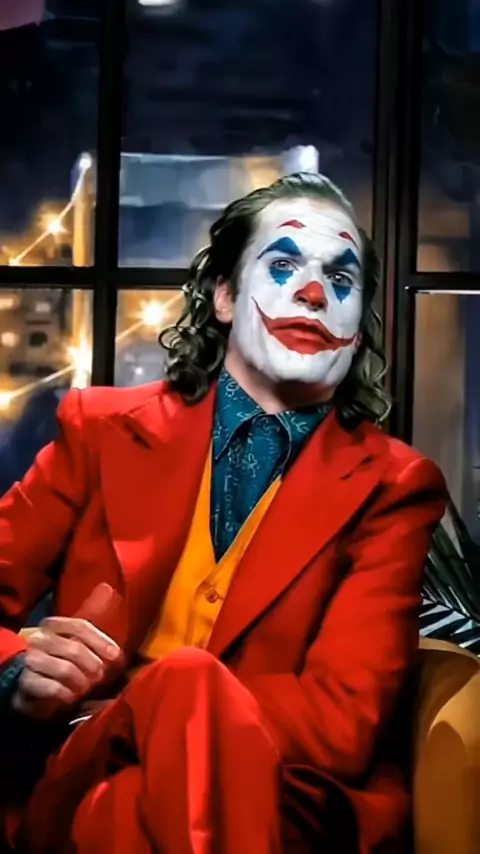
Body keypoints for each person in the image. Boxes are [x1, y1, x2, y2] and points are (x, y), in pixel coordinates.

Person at [0, 173, 446, 854]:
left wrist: (172, 704)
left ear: (357, 333)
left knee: (122, 810)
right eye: (284, 265)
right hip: (84, 756)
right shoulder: (98, 431)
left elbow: (343, 721)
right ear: (225, 297)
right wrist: (15, 673)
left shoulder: (395, 487)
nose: (314, 292)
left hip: (275, 791)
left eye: (341, 280)